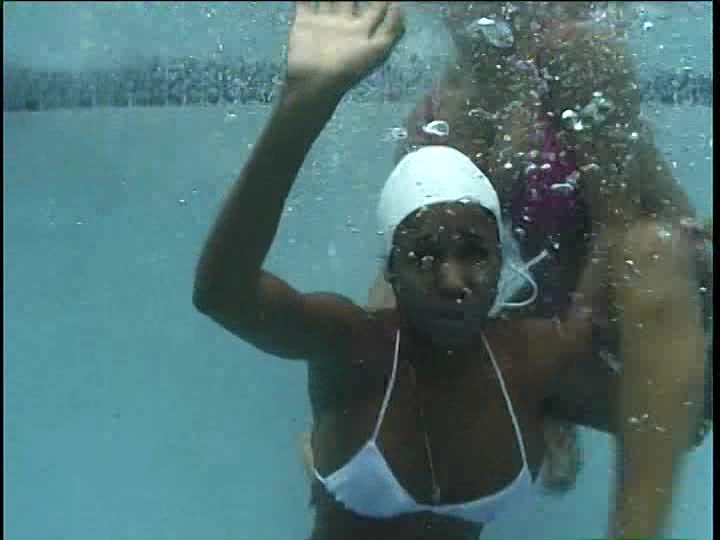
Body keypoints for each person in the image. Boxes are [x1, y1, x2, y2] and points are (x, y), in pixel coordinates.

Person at [193, 3, 708, 539]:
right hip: (524, 334)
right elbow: (226, 293)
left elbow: (624, 240)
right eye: (424, 259)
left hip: (618, 308)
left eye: (475, 256)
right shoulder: (359, 344)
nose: (453, 280)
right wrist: (305, 102)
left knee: (652, 255)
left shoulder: (533, 361)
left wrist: (559, 387)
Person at [366, 2, 713, 534]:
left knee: (649, 251)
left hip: (681, 309)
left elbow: (617, 225)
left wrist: (551, 351)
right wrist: (359, 390)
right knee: (430, 352)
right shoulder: (438, 115)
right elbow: (405, 267)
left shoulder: (578, 54)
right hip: (585, 320)